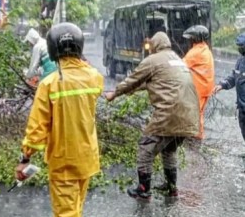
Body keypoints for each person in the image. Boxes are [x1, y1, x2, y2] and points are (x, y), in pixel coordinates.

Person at [15, 23, 104, 217]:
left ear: (53, 49)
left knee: (66, 213)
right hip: (87, 158)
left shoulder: (49, 84)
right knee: (76, 209)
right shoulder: (94, 78)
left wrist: (25, 159)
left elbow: (36, 129)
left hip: (64, 162)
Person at [105, 31, 199, 200]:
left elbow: (133, 79)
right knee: (169, 150)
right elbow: (153, 82)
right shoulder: (177, 59)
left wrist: (115, 93)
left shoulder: (153, 60)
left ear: (155, 45)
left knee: (145, 149)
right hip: (189, 116)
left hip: (170, 114)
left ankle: (143, 189)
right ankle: (172, 188)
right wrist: (130, 91)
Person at [182, 25, 214, 140]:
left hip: (198, 88)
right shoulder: (205, 48)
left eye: (191, 38)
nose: (189, 40)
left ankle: (195, 136)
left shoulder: (195, 52)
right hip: (206, 87)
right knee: (199, 113)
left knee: (194, 113)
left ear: (195, 38)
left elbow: (182, 65)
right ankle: (198, 135)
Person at [214, 33, 245, 142]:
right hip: (242, 107)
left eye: (242, 47)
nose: (240, 49)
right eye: (239, 47)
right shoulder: (241, 60)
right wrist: (222, 84)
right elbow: (234, 76)